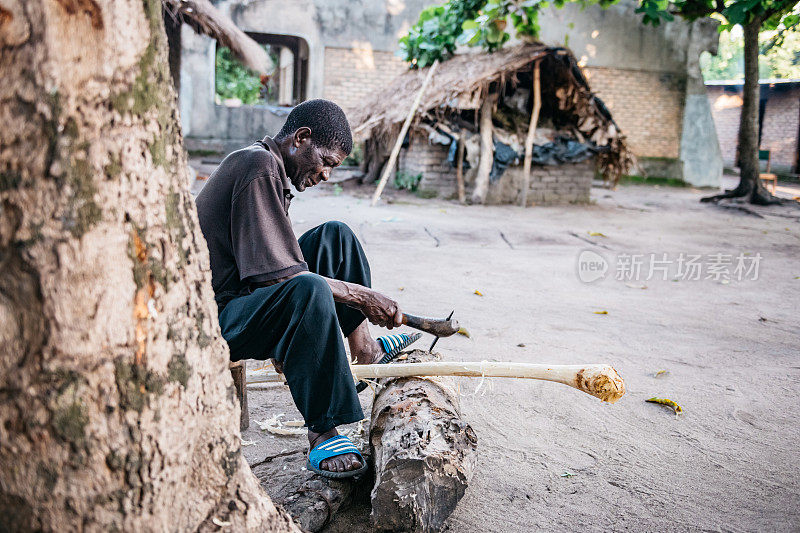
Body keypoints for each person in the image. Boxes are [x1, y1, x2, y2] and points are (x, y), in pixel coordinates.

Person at [195, 99, 418, 478]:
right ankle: (322, 429)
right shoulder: (257, 165)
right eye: (327, 162)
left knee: (335, 237)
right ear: (301, 138)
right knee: (308, 289)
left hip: (246, 299)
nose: (327, 175)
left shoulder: (268, 168)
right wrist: (363, 296)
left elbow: (275, 265)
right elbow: (284, 281)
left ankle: (366, 352)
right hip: (216, 318)